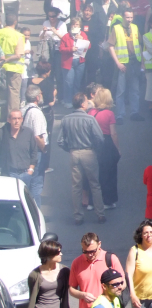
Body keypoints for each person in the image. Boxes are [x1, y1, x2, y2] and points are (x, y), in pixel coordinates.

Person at [69, 233, 125, 308]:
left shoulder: (110, 259)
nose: (89, 255)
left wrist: (107, 293)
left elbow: (122, 283)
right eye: (85, 251)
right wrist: (82, 295)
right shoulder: (77, 263)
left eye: (93, 251)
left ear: (99, 244)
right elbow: (71, 289)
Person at [57, 92, 105, 224]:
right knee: (94, 184)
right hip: (88, 152)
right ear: (83, 104)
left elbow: (60, 140)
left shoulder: (66, 119)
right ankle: (100, 213)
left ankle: (78, 216)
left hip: (74, 153)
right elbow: (99, 138)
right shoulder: (90, 119)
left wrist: (70, 149)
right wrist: (95, 149)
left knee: (76, 186)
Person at [107, 8, 144, 122]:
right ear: (123, 17)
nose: (129, 20)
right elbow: (110, 46)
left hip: (134, 62)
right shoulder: (116, 28)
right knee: (121, 91)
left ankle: (134, 112)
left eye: (131, 17)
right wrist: (117, 63)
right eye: (127, 17)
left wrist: (142, 62)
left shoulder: (135, 27)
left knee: (135, 89)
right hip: (123, 63)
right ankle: (120, 115)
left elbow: (140, 45)